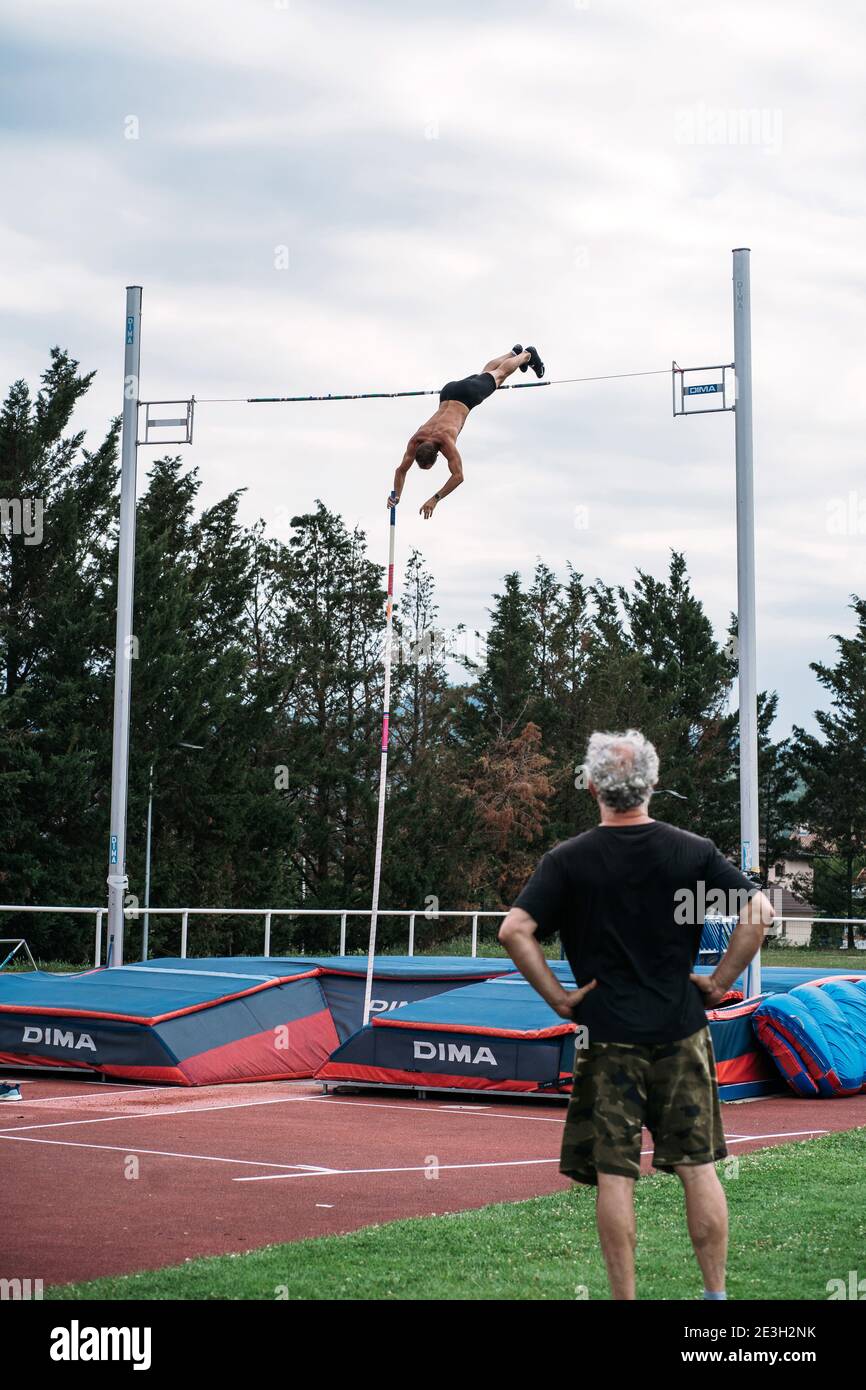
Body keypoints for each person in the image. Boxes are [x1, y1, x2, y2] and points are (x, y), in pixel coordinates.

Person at [498, 728, 773, 1302]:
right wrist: (720, 984)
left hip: (608, 1038)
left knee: (615, 1175)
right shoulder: (691, 852)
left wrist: (558, 998)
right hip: (682, 1032)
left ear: (593, 785)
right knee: (698, 1167)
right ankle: (715, 1298)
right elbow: (760, 909)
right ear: (653, 783)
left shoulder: (569, 860)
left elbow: (514, 930)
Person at [388, 345, 545, 519]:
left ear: (439, 453)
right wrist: (396, 497)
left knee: (500, 375)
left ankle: (527, 355)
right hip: (448, 391)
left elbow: (458, 476)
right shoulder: (416, 439)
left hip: (468, 396)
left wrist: (435, 499)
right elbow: (400, 471)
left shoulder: (444, 441)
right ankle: (513, 354)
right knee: (485, 374)